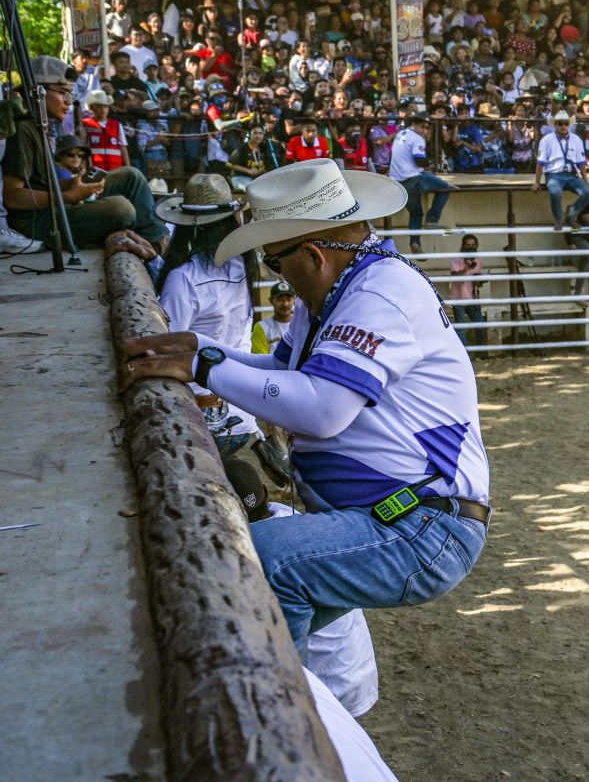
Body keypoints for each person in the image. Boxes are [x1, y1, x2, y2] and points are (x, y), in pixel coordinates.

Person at [118, 159, 491, 652]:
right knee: (265, 594)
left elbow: (321, 409)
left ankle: (270, 708)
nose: (277, 277)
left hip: (420, 524)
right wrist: (203, 351)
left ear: (313, 256)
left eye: (275, 262)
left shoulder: (379, 294)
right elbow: (283, 372)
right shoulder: (350, 288)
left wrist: (203, 367)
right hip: (400, 517)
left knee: (266, 561)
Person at [222, 458, 379, 719]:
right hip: (355, 668)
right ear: (264, 490)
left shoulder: (256, 551)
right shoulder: (289, 517)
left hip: (329, 683)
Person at [2, 56, 167, 250]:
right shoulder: (23, 129)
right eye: (63, 93)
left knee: (131, 176)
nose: (68, 102)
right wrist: (68, 196)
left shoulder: (40, 126)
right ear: (38, 92)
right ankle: (155, 250)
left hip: (55, 205)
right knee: (121, 209)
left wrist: (72, 184)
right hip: (37, 221)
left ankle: (157, 244)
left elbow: (42, 183)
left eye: (70, 95)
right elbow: (12, 197)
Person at [152, 174, 262, 456]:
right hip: (241, 410)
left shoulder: (184, 277)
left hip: (204, 414)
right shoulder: (243, 266)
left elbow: (166, 345)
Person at [389, 113, 454, 252]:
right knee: (445, 188)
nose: (425, 131)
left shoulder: (401, 134)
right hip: (413, 178)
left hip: (398, 183)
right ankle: (433, 219)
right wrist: (431, 162)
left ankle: (415, 242)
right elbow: (419, 161)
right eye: (422, 127)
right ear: (414, 125)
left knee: (416, 213)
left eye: (427, 128)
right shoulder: (417, 138)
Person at [533, 110, 589, 231]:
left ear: (569, 124)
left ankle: (571, 216)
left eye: (566, 123)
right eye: (560, 124)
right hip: (554, 174)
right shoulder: (547, 140)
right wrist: (537, 182)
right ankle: (559, 220)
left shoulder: (577, 139)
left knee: (587, 192)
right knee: (555, 192)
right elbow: (540, 163)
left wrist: (586, 181)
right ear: (555, 125)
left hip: (572, 174)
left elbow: (581, 163)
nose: (563, 126)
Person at [449, 234, 486, 346]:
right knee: (461, 329)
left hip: (472, 298)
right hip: (458, 298)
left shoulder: (479, 260)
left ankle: (481, 354)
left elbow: (478, 281)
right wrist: (466, 269)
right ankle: (466, 356)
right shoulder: (456, 259)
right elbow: (454, 276)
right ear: (463, 246)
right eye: (468, 245)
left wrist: (480, 280)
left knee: (480, 326)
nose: (471, 247)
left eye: (473, 245)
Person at [82, 90, 131, 171]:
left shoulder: (117, 125)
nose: (103, 110)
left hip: (116, 168)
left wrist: (128, 167)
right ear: (92, 108)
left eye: (105, 106)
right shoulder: (85, 124)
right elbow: (85, 148)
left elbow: (123, 148)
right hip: (95, 169)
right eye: (99, 106)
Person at [252, 280, 297, 354]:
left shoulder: (301, 324)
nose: (285, 304)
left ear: (294, 300)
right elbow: (260, 359)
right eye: (280, 300)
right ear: (271, 301)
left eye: (288, 299)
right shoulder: (261, 327)